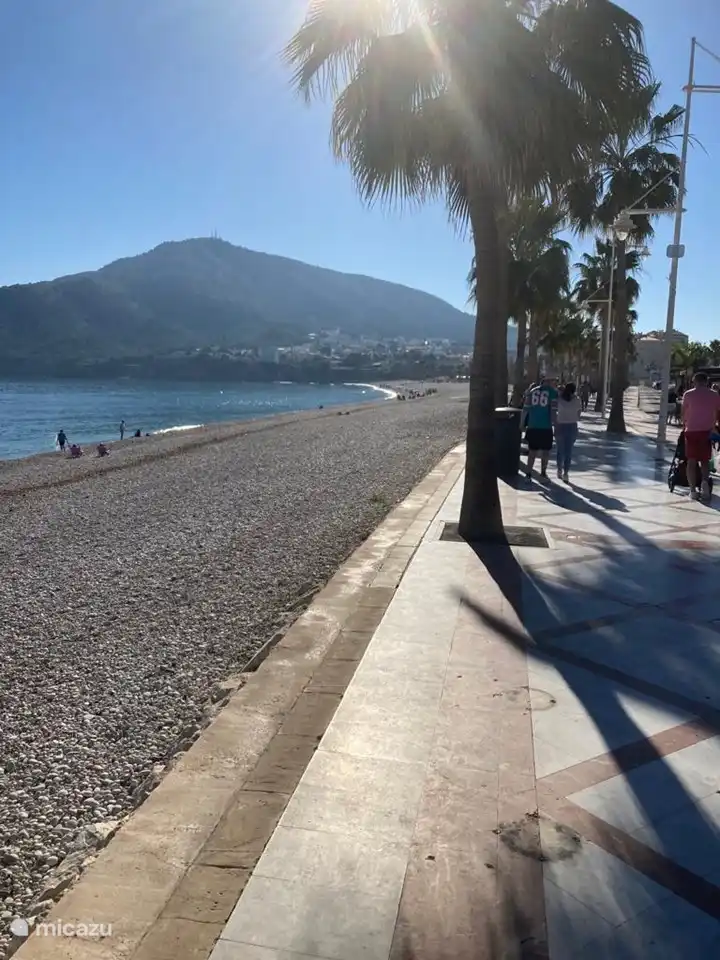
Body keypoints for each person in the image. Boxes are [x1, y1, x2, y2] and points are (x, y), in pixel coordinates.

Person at [681, 371, 720, 501]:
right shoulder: (714, 395)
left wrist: (684, 425)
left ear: (695, 381)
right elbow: (717, 412)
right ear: (706, 381)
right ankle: (704, 484)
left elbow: (683, 413)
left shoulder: (688, 394)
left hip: (691, 431)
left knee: (691, 461)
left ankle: (693, 490)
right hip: (707, 431)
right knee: (704, 460)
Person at [523, 376, 559, 481]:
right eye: (554, 381)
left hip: (532, 425)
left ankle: (528, 473)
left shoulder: (532, 391)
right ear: (549, 381)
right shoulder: (552, 393)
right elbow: (553, 411)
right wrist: (555, 426)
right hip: (545, 427)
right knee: (545, 451)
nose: (555, 383)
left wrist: (522, 423)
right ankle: (543, 472)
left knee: (532, 451)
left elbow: (525, 409)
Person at [555, 382, 582, 482]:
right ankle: (566, 473)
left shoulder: (559, 399)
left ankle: (559, 469)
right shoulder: (577, 400)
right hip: (572, 426)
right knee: (568, 451)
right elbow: (579, 414)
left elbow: (555, 410)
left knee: (560, 450)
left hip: (560, 425)